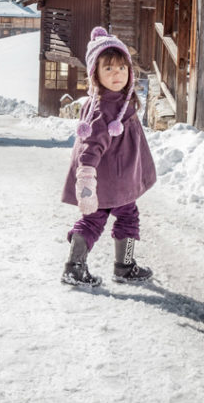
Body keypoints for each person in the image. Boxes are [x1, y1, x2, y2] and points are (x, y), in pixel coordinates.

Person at [61, 26, 157, 287]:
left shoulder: (116, 99)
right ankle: (121, 266)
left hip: (115, 176)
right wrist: (87, 176)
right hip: (111, 179)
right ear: (95, 74)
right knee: (122, 218)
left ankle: (78, 265)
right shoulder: (106, 106)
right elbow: (91, 145)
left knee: (98, 220)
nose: (117, 74)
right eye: (109, 69)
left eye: (122, 68)